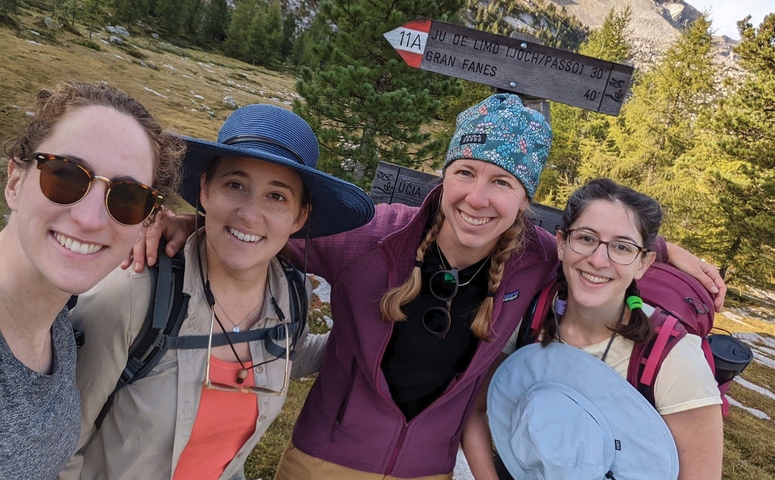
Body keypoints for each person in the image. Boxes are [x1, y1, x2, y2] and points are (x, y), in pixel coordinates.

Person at [138, 94, 726, 479]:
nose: (478, 196)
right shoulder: (370, 236)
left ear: (525, 200)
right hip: (324, 461)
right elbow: (263, 228)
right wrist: (186, 220)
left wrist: (666, 250)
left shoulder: (538, 258)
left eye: (502, 182)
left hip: (431, 471)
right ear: (444, 177)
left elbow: (601, 248)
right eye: (465, 172)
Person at [58, 104, 375, 480]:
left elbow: (291, 351)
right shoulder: (131, 297)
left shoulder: (290, 295)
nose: (250, 214)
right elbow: (58, 448)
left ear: (300, 217)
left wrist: (375, 329)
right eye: (235, 185)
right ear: (205, 190)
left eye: (276, 196)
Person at [471, 178, 723, 479]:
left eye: (622, 247)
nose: (598, 260)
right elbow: (473, 408)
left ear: (643, 263)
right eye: (587, 239)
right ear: (562, 243)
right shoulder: (527, 316)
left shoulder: (675, 362)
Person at [0, 82, 184, 479]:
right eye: (65, 176)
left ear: (146, 223)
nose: (90, 219)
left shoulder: (59, 329)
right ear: (15, 181)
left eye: (127, 199)